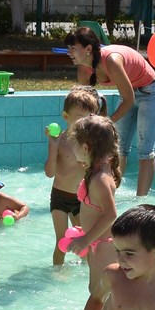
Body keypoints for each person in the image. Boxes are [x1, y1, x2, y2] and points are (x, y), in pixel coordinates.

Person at [64, 25, 155, 195]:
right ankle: (110, 194)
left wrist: (105, 122)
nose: (69, 52)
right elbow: (84, 100)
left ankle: (140, 202)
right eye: (68, 48)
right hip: (128, 92)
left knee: (145, 151)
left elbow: (129, 100)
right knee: (118, 149)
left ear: (88, 48)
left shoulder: (111, 60)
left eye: (73, 48)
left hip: (150, 92)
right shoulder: (84, 67)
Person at [67, 114, 123, 298]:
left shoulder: (100, 179)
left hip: (104, 244)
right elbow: (98, 211)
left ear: (85, 147)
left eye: (73, 143)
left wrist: (86, 239)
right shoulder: (97, 171)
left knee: (102, 294)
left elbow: (110, 214)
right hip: (96, 240)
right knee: (96, 290)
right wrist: (87, 231)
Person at [45, 88, 102, 266]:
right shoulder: (60, 140)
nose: (83, 123)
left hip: (82, 199)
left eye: (88, 118)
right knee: (61, 241)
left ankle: (86, 272)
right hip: (60, 197)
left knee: (85, 241)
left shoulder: (90, 145)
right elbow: (49, 173)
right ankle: (57, 274)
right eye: (78, 117)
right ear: (65, 116)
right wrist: (53, 147)